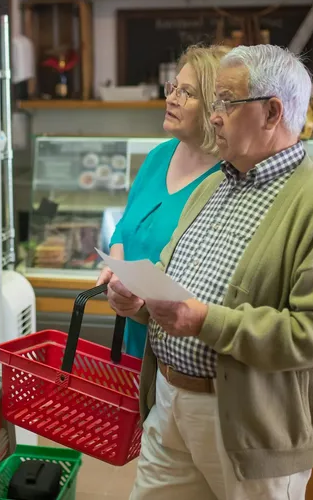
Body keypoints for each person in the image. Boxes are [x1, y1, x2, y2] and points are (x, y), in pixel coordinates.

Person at [106, 44, 313, 500]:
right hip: (168, 404)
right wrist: (138, 300)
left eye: (226, 101)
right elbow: (170, 276)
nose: (215, 115)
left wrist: (205, 321)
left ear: (272, 112)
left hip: (249, 429)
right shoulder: (215, 184)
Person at [97, 45, 227, 358]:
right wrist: (117, 275)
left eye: (187, 93)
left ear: (216, 106)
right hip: (137, 341)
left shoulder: (227, 177)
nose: (171, 98)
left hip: (187, 351)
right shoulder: (159, 156)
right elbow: (125, 227)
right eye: (173, 87)